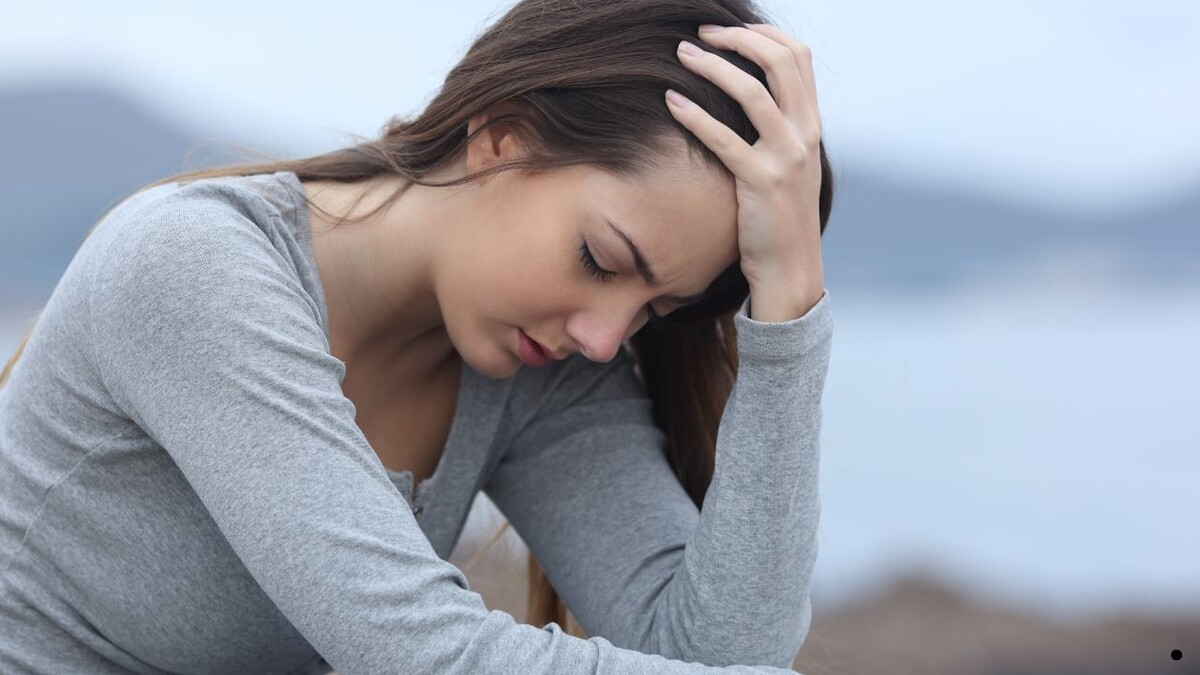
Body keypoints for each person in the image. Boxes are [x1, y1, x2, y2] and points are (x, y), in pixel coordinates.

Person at [0, 0, 835, 672]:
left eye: (655, 308)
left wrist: (791, 299)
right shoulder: (193, 266)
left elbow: (721, 653)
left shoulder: (542, 362)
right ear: (499, 139)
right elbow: (423, 652)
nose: (605, 337)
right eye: (600, 259)